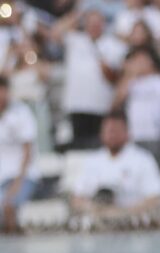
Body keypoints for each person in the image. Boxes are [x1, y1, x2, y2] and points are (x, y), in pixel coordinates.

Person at [50, 4, 125, 149]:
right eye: (90, 22)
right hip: (77, 104)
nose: (94, 26)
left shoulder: (113, 45)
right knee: (79, 148)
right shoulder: (75, 40)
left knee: (100, 147)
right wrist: (76, 14)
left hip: (101, 105)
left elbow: (115, 77)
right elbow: (55, 33)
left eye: (97, 23)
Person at [70, 110, 160, 223]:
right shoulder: (92, 160)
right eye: (108, 131)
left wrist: (123, 213)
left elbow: (155, 198)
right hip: (96, 222)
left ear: (127, 132)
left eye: (115, 131)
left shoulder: (143, 159)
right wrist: (96, 209)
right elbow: (76, 198)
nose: (111, 135)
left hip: (133, 223)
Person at [112, 46, 160, 168]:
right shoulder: (129, 82)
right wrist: (130, 75)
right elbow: (116, 104)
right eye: (137, 60)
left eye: (143, 60)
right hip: (132, 137)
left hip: (155, 136)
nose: (140, 64)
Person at [0, 75, 37, 234]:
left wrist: (17, 184)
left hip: (22, 177)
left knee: (9, 205)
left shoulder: (21, 113)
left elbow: (27, 153)